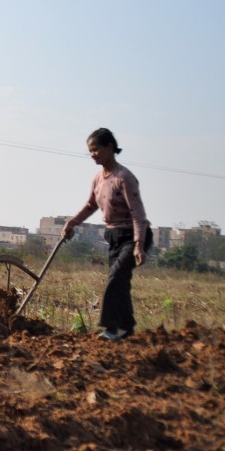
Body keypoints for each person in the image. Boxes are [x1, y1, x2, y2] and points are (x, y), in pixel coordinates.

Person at [61, 127, 152, 340]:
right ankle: (127, 328)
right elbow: (91, 205)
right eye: (90, 151)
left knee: (115, 277)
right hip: (113, 236)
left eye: (96, 150)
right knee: (120, 281)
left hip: (133, 235)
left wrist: (139, 244)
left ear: (110, 147)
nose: (93, 154)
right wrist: (72, 223)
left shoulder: (125, 178)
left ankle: (111, 328)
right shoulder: (98, 179)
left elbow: (137, 214)